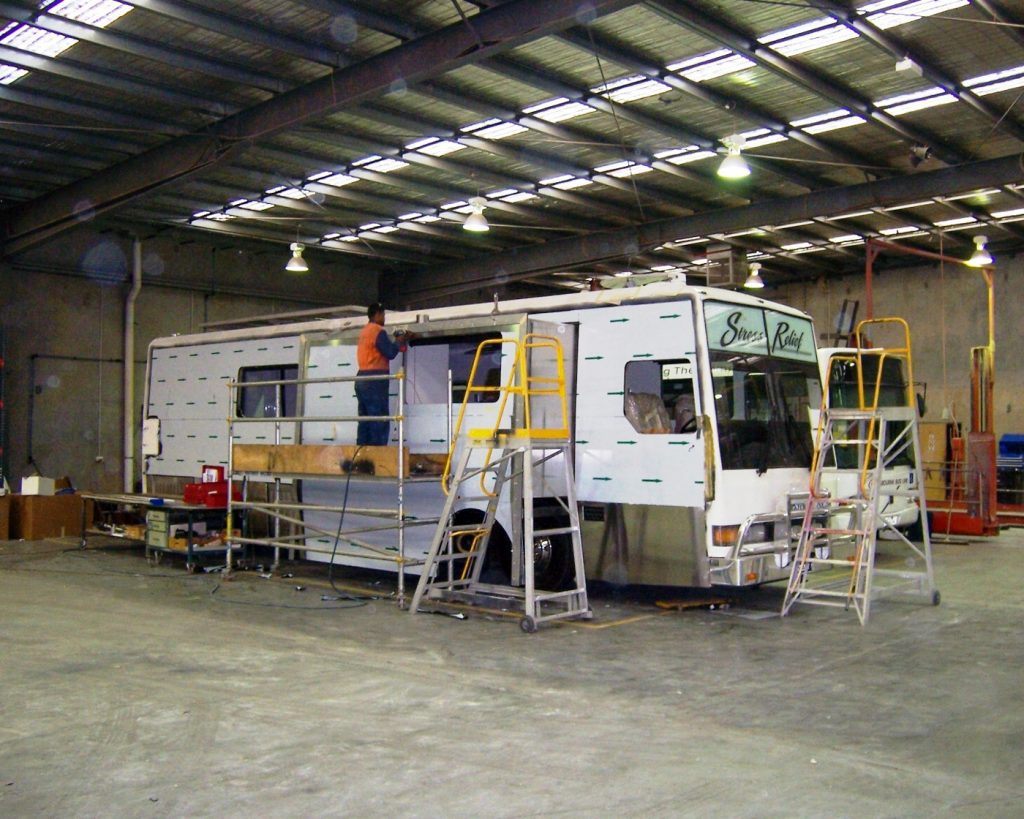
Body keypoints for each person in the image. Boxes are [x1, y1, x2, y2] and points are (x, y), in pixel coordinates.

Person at [355, 303, 409, 445]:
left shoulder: (365, 331)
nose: (384, 318)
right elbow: (390, 352)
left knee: (365, 420)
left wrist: (398, 345)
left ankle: (361, 455)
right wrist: (399, 341)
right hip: (375, 379)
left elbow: (384, 349)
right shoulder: (378, 331)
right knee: (380, 419)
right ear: (377, 314)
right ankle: (378, 455)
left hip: (361, 377)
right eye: (383, 315)